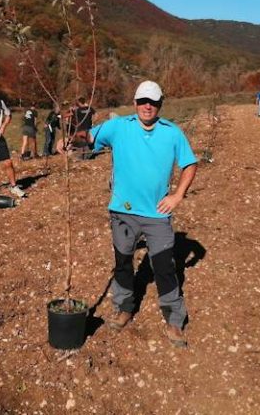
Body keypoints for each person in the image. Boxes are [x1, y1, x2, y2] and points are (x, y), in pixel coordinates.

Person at [90, 80, 197, 348]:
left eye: (153, 101)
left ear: (160, 104)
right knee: (123, 262)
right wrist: (67, 140)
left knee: (164, 267)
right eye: (142, 101)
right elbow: (88, 139)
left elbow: (190, 164)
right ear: (135, 103)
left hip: (157, 215)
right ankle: (124, 307)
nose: (147, 106)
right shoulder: (118, 127)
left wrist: (178, 195)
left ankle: (174, 319)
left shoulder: (172, 132)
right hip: (122, 213)